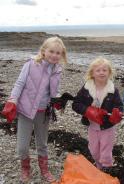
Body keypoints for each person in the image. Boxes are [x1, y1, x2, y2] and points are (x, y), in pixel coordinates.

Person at [1, 37, 67, 183]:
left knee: (42, 144)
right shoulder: (31, 64)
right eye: (51, 51)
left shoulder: (58, 70)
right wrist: (12, 100)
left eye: (58, 53)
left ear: (62, 55)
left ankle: (44, 170)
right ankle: (25, 168)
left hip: (44, 113)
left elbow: (54, 91)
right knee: (22, 147)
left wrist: (58, 100)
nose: (54, 55)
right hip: (25, 111)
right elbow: (19, 83)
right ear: (44, 51)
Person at [72, 57, 123, 171]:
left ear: (109, 72)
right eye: (98, 70)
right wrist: (87, 110)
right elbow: (76, 104)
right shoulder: (86, 88)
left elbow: (119, 107)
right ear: (92, 73)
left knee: (105, 151)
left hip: (107, 127)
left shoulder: (113, 90)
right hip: (92, 126)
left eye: (104, 70)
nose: (101, 72)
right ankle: (98, 166)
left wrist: (118, 114)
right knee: (94, 150)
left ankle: (106, 169)